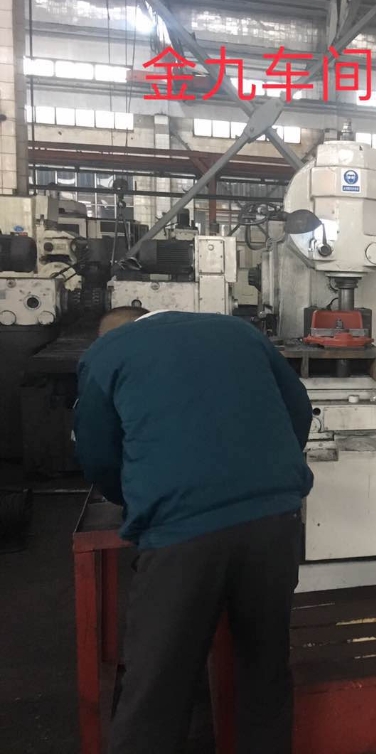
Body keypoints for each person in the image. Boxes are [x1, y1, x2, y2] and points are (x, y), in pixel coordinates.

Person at [74, 307, 314, 754]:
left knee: (158, 683)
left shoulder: (108, 353)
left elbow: (97, 453)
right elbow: (298, 410)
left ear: (111, 333)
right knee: (265, 668)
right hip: (273, 520)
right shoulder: (241, 332)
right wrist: (268, 476)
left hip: (181, 532)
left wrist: (134, 498)